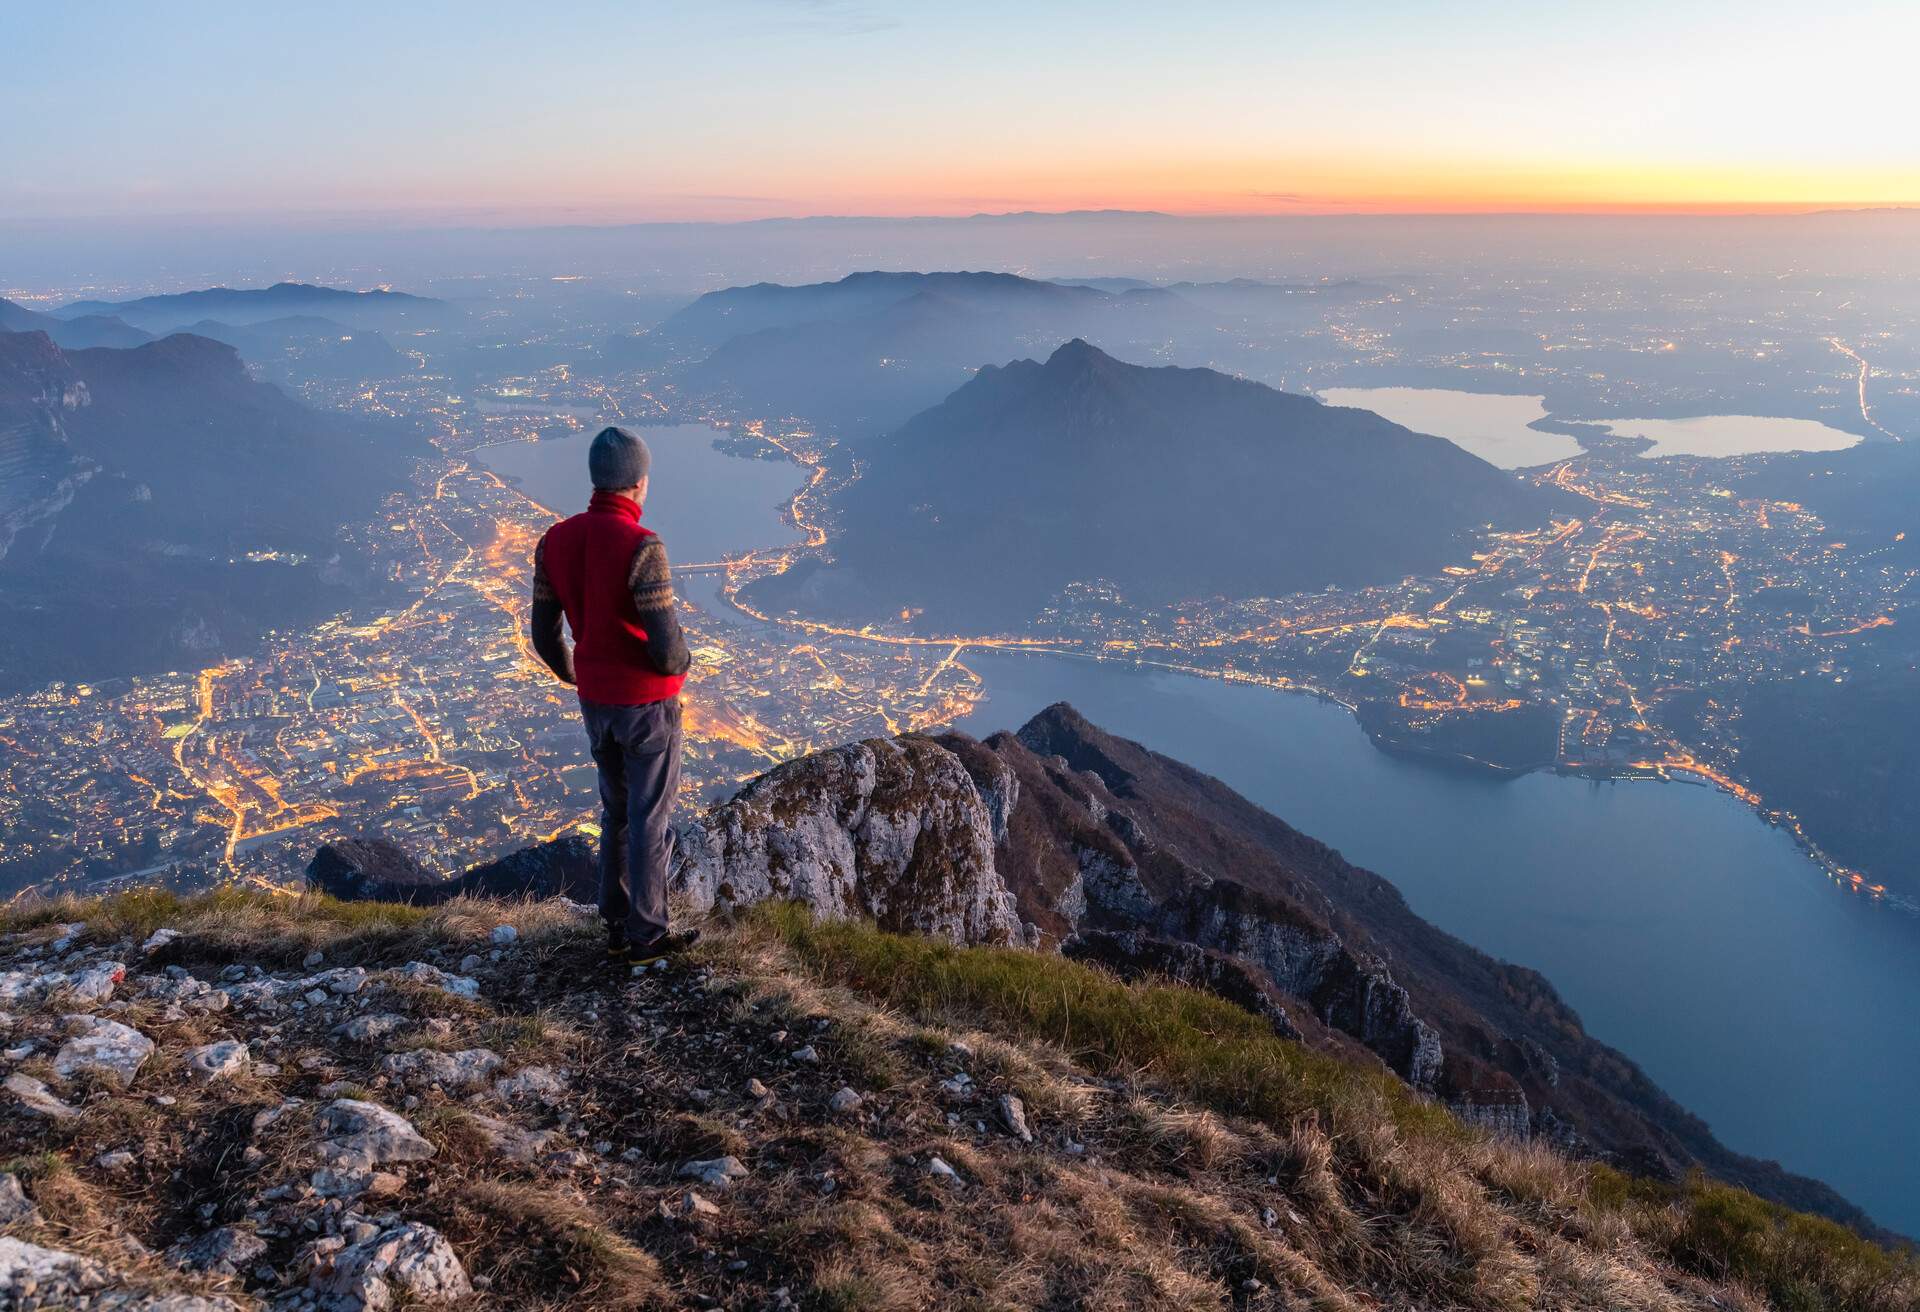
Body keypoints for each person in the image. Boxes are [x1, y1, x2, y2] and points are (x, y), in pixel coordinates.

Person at [529, 426, 696, 966]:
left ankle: (616, 924)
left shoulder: (555, 540)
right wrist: (680, 669)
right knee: (651, 816)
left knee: (616, 810)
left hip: (596, 701)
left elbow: (543, 633)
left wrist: (575, 675)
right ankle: (648, 935)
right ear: (639, 483)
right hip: (647, 705)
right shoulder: (642, 547)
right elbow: (668, 648)